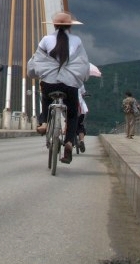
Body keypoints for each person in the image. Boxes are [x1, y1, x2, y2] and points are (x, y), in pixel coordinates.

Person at [27, 11, 90, 164]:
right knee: (72, 114)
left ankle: (45, 123)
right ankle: (68, 143)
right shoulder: (77, 40)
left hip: (49, 83)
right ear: (70, 26)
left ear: (54, 25)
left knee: (45, 99)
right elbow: (83, 64)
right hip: (69, 84)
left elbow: (36, 61)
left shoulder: (46, 40)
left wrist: (37, 73)